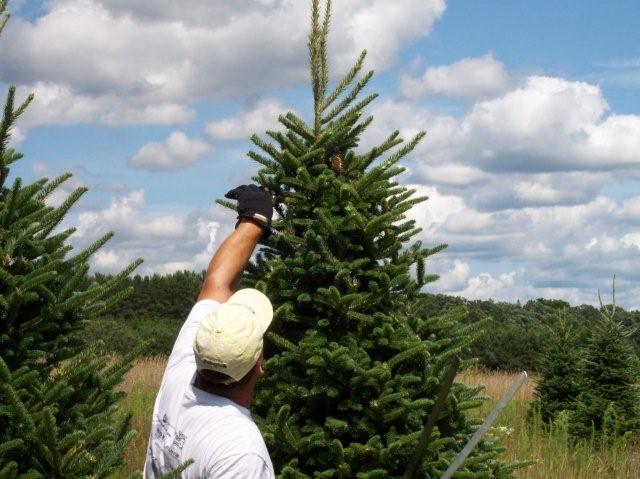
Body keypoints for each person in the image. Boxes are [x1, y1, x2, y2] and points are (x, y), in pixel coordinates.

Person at [144, 185, 276, 478]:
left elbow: (216, 283)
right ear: (259, 366)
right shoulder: (240, 453)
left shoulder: (182, 373)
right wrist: (255, 218)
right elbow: (216, 284)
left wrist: (253, 219)